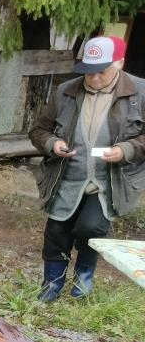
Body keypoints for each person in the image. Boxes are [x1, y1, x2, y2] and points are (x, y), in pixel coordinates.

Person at [29, 35, 145, 301]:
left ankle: (83, 278)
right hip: (67, 176)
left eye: (101, 71)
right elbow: (38, 130)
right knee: (56, 232)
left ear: (120, 62)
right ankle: (51, 285)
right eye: (88, 71)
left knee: (91, 229)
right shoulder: (66, 91)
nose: (93, 78)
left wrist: (126, 149)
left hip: (109, 180)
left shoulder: (140, 92)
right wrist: (53, 143)